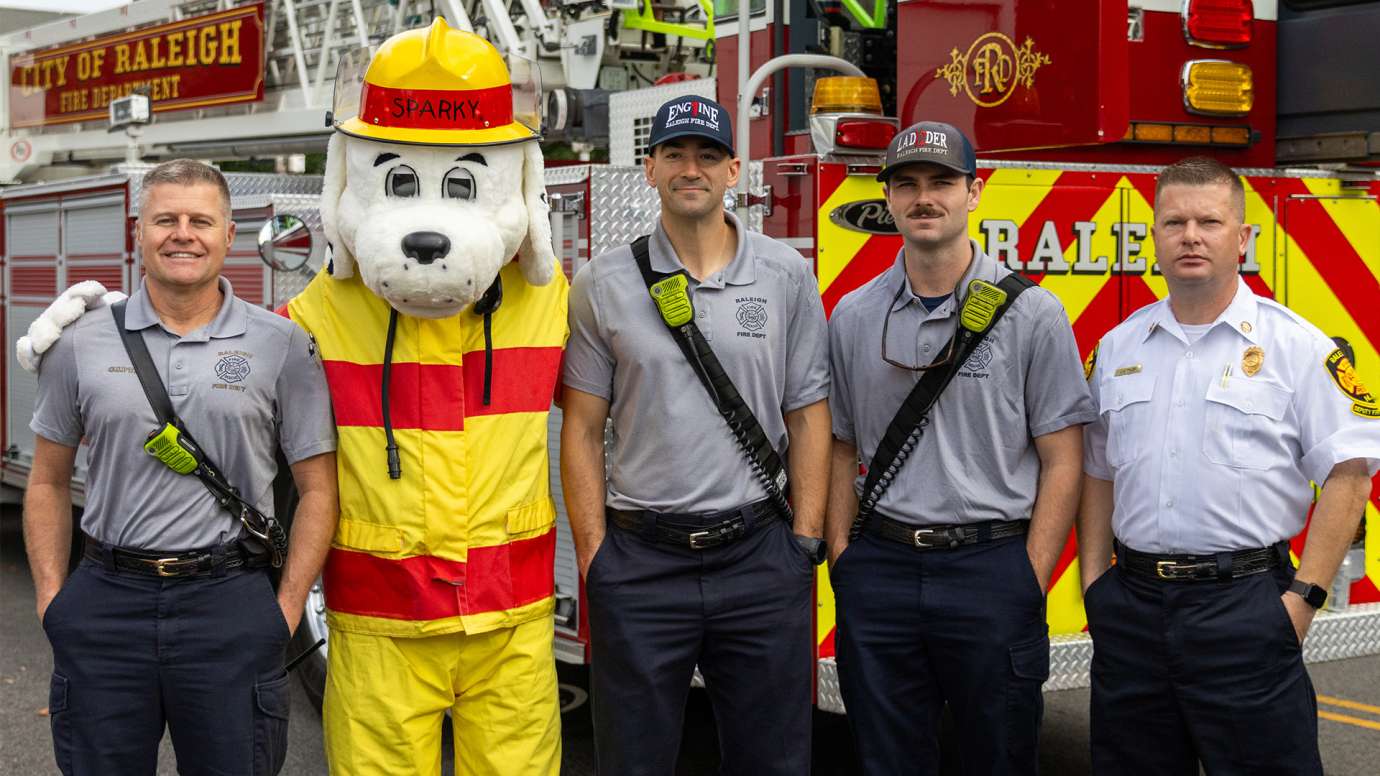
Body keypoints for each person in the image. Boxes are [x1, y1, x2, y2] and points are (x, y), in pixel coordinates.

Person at [24, 159, 338, 775]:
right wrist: (53, 602)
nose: (183, 233)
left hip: (230, 603)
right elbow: (47, 481)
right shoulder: (78, 344)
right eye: (166, 219)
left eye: (201, 220)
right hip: (107, 600)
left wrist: (286, 610)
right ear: (138, 230)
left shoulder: (282, 346)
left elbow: (319, 491)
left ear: (228, 234)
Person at [1077, 155, 1380, 775]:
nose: (1191, 236)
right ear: (1153, 236)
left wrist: (1302, 600)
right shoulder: (1117, 347)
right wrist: (1093, 586)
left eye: (1210, 223)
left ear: (1242, 238)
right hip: (1131, 608)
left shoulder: (1298, 347)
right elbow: (1097, 472)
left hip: (1245, 608)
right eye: (1175, 222)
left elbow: (1349, 478)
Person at [561, 94, 831, 776]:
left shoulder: (786, 275)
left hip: (760, 560)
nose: (692, 168)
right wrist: (597, 557)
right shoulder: (602, 284)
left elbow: (808, 416)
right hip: (642, 563)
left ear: (734, 169)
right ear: (648, 168)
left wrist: (802, 540)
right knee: (633, 761)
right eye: (675, 154)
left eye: (708, 155)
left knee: (774, 761)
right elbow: (583, 428)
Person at [824, 121, 1093, 775]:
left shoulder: (1033, 314)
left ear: (974, 192)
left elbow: (1065, 456)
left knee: (998, 758)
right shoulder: (854, 316)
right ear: (887, 198)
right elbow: (838, 445)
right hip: (880, 571)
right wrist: (844, 559)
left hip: (992, 569)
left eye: (942, 182)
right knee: (887, 760)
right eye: (907, 184)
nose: (925, 198)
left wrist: (1029, 575)